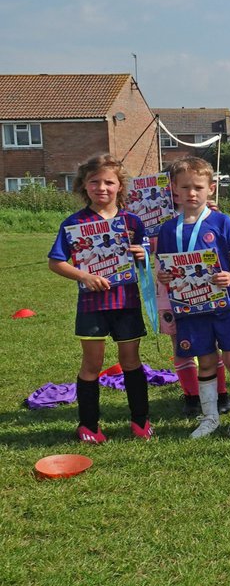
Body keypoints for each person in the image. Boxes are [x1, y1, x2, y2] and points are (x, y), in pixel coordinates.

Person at [48, 154, 150, 443]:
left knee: (131, 361)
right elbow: (56, 262)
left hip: (126, 303)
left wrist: (143, 255)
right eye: (94, 182)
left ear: (120, 186)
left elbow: (144, 258)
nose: (102, 187)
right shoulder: (74, 223)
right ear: (84, 185)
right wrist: (84, 276)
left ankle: (140, 420)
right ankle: (89, 425)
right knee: (92, 364)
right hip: (92, 306)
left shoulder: (132, 221)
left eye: (109, 182)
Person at [155, 157, 230, 438]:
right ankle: (209, 417)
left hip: (225, 304)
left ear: (211, 188)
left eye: (198, 187)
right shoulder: (167, 229)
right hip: (190, 307)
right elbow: (165, 265)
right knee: (206, 361)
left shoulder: (221, 222)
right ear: (174, 189)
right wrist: (163, 277)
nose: (191, 193)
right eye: (185, 187)